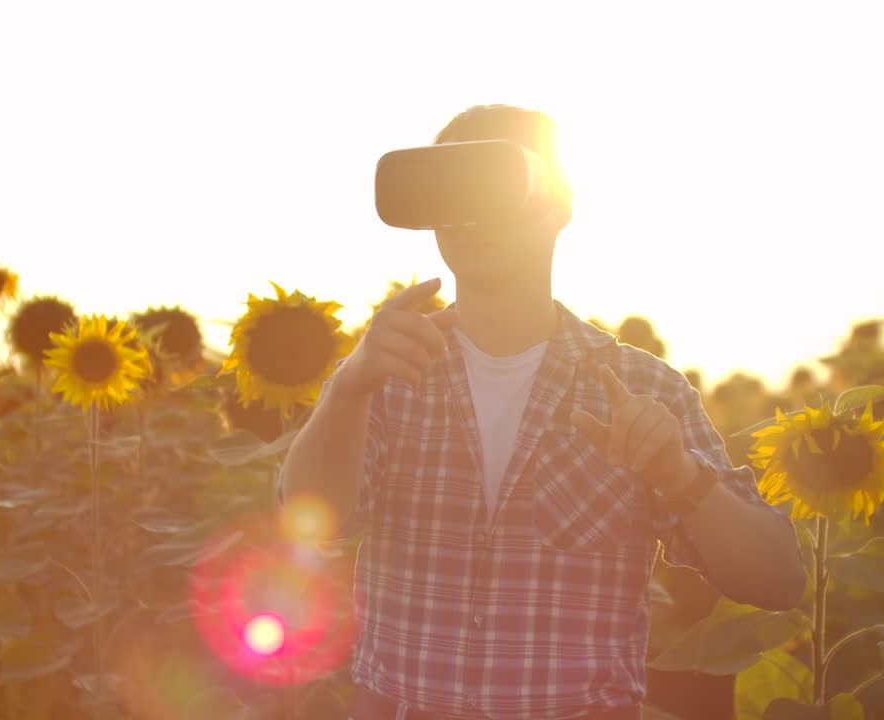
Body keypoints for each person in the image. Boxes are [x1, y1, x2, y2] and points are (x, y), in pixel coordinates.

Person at [280, 104, 806, 720]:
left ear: (560, 207)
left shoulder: (641, 387)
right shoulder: (384, 373)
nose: (471, 213)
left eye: (494, 183)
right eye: (449, 189)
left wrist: (681, 477)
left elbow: (778, 581)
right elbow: (307, 520)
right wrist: (348, 389)